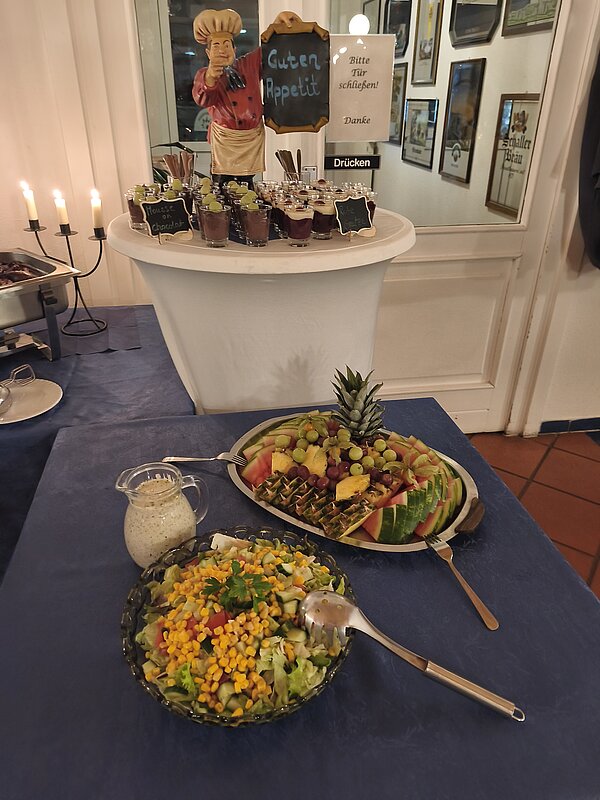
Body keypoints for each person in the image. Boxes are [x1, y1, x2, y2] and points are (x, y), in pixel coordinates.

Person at [192, 8, 300, 186]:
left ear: (234, 49)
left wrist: (279, 26)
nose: (222, 50)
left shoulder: (248, 64)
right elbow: (203, 98)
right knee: (222, 183)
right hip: (226, 140)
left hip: (251, 139)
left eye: (226, 45)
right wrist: (211, 78)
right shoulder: (205, 75)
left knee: (248, 182)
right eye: (216, 46)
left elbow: (270, 51)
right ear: (208, 53)